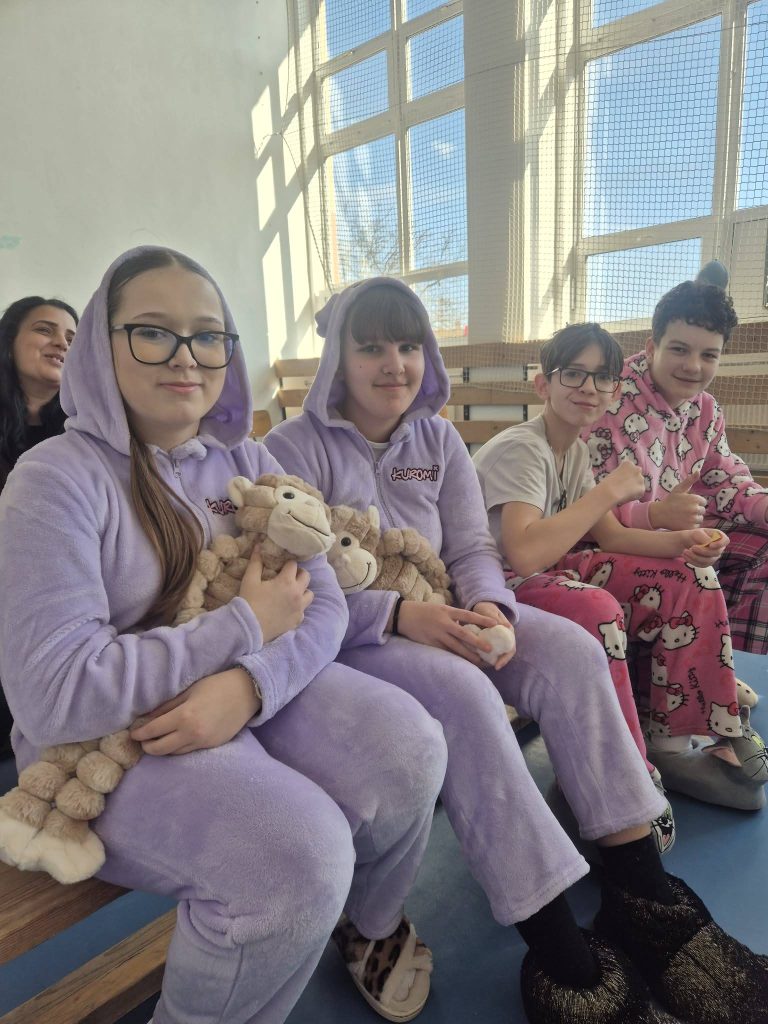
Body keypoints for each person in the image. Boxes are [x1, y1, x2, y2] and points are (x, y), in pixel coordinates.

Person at [264, 277, 768, 1024]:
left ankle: (640, 888)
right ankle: (552, 932)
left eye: (408, 345)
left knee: (571, 650)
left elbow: (473, 548)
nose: (394, 364)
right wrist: (401, 614)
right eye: (370, 348)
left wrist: (490, 609)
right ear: (337, 355)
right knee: (467, 694)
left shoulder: (438, 440)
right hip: (355, 636)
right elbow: (299, 589)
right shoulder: (288, 449)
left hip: (451, 607)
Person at [0, 248, 449, 1024]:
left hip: (235, 689)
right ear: (102, 345)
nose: (186, 356)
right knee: (297, 857)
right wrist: (241, 629)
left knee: (412, 746)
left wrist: (250, 685)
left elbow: (322, 604)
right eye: (153, 332)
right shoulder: (55, 479)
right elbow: (56, 695)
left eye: (208, 336)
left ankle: (367, 925)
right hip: (105, 740)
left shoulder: (245, 458)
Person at [472, 322, 767, 813]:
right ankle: (620, 768)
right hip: (496, 585)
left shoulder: (575, 450)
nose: (588, 388)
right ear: (543, 384)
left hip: (547, 570)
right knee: (597, 608)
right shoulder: (523, 447)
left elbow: (612, 537)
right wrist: (609, 490)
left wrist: (686, 543)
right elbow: (522, 554)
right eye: (573, 374)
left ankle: (677, 736)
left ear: (614, 391)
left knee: (689, 577)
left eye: (602, 378)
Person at [586, 279, 768, 657]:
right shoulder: (609, 401)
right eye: (679, 349)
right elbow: (591, 512)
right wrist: (659, 517)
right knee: (692, 574)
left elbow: (724, 478)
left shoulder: (707, 410)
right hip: (608, 547)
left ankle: (730, 661)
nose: (693, 366)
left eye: (709, 355)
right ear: (652, 347)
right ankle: (700, 665)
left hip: (672, 536)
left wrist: (763, 506)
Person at [0, 296, 78, 758]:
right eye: (45, 330)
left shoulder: (82, 436)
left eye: (71, 337)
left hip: (58, 594)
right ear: (9, 342)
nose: (61, 343)